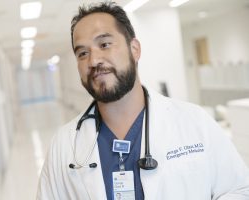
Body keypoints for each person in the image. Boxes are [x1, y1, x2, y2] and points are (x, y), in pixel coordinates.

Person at [37, 2, 249, 199]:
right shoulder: (63, 146)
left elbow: (239, 189)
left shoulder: (195, 122)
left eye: (104, 44)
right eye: (82, 53)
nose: (93, 60)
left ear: (134, 49)